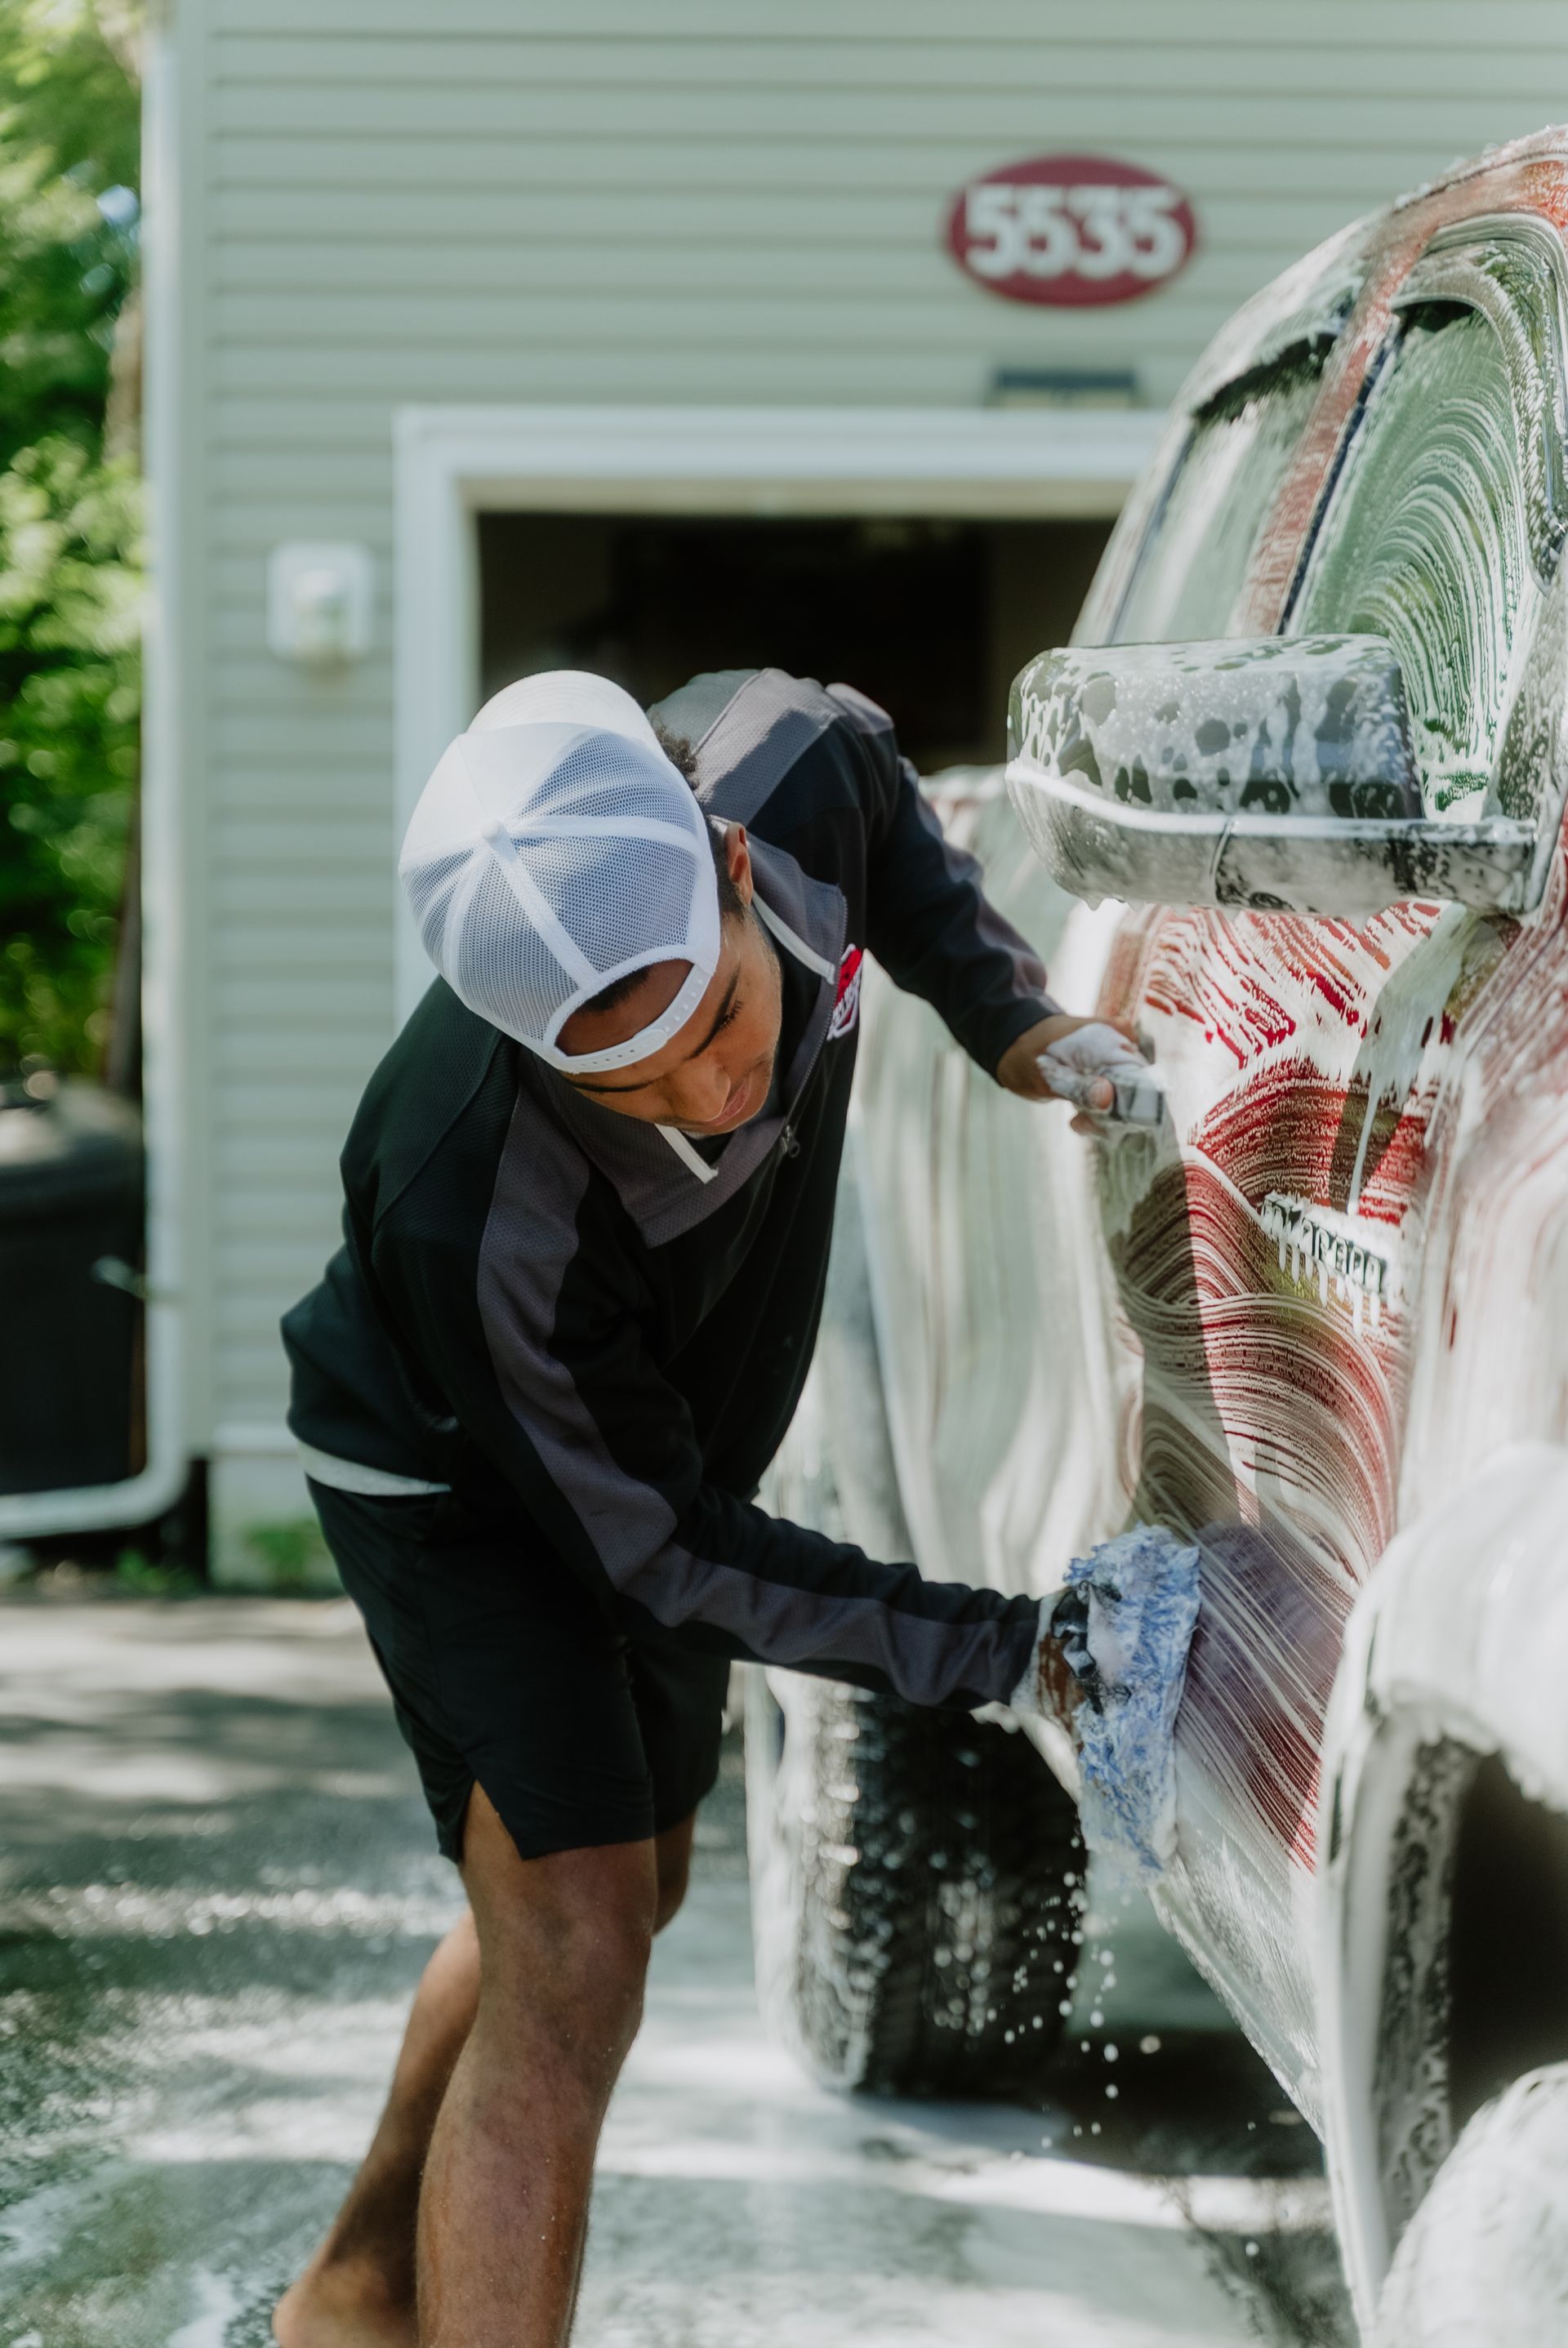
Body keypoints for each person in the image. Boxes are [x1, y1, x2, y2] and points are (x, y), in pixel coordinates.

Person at [274, 666, 1113, 2348]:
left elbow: (903, 839)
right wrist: (1010, 1650)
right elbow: (657, 1556)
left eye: (723, 1022)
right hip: (452, 1474)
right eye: (636, 1089)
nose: (715, 1092)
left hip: (649, 1460)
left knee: (621, 1887)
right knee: (579, 1937)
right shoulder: (470, 1195)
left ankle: (356, 2294)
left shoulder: (795, 769)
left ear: (732, 867)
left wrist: (1015, 1018)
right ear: (531, 1050)